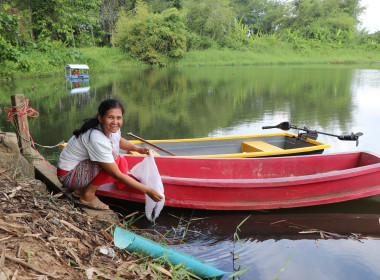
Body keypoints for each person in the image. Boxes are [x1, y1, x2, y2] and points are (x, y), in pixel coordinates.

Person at [57, 99, 163, 210]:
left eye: (119, 118)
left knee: (119, 160)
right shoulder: (96, 137)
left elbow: (118, 140)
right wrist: (147, 190)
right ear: (100, 118)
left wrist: (137, 149)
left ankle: (80, 190)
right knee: (115, 159)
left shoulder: (111, 129)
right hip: (68, 176)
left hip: (77, 170)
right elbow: (116, 174)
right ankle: (87, 195)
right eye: (110, 117)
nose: (115, 122)